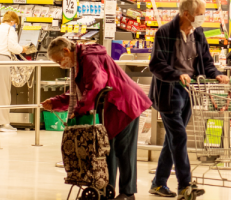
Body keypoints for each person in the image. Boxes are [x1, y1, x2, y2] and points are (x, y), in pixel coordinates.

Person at [42, 37, 151, 200]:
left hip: (124, 103)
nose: (60, 65)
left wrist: (78, 111)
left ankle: (128, 193)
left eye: (59, 61)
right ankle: (106, 189)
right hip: (110, 107)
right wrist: (55, 102)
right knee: (107, 150)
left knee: (124, 150)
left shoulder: (89, 58)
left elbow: (95, 85)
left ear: (66, 51)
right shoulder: (78, 62)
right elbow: (80, 93)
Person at [148, 0, 229, 198]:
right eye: (200, 14)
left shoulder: (199, 33)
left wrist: (217, 74)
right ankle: (185, 184)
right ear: (186, 14)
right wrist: (177, 74)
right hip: (169, 92)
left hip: (190, 92)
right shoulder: (165, 32)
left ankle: (158, 183)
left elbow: (206, 62)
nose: (204, 17)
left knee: (174, 138)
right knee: (179, 136)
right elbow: (156, 64)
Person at [0, 11, 32, 132]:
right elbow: (13, 47)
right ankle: (4, 124)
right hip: (0, 59)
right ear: (13, 22)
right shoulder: (10, 30)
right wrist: (24, 49)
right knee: (3, 91)